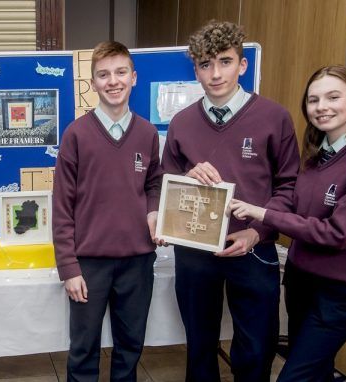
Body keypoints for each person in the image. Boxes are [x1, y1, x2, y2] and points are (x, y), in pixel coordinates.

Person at [159, 21, 300, 381]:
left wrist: (257, 231)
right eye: (205, 65)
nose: (215, 73)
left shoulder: (274, 117)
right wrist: (184, 179)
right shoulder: (182, 123)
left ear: (242, 64)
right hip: (194, 249)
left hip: (254, 249)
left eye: (224, 62)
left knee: (256, 346)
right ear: (195, 70)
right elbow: (163, 183)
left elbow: (289, 186)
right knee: (200, 344)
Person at [229, 65, 346, 381]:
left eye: (333, 97)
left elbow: (337, 233)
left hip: (341, 290)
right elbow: (291, 205)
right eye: (313, 100)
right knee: (317, 370)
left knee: (295, 376)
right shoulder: (313, 159)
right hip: (301, 280)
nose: (321, 107)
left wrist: (261, 213)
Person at [53, 40, 162, 382]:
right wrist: (69, 268)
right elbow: (61, 207)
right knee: (84, 349)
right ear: (92, 83)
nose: (112, 81)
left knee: (130, 347)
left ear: (134, 77)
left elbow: (154, 184)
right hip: (89, 265)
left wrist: (155, 213)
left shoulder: (147, 133)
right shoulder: (76, 135)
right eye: (103, 75)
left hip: (138, 261)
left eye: (120, 72)